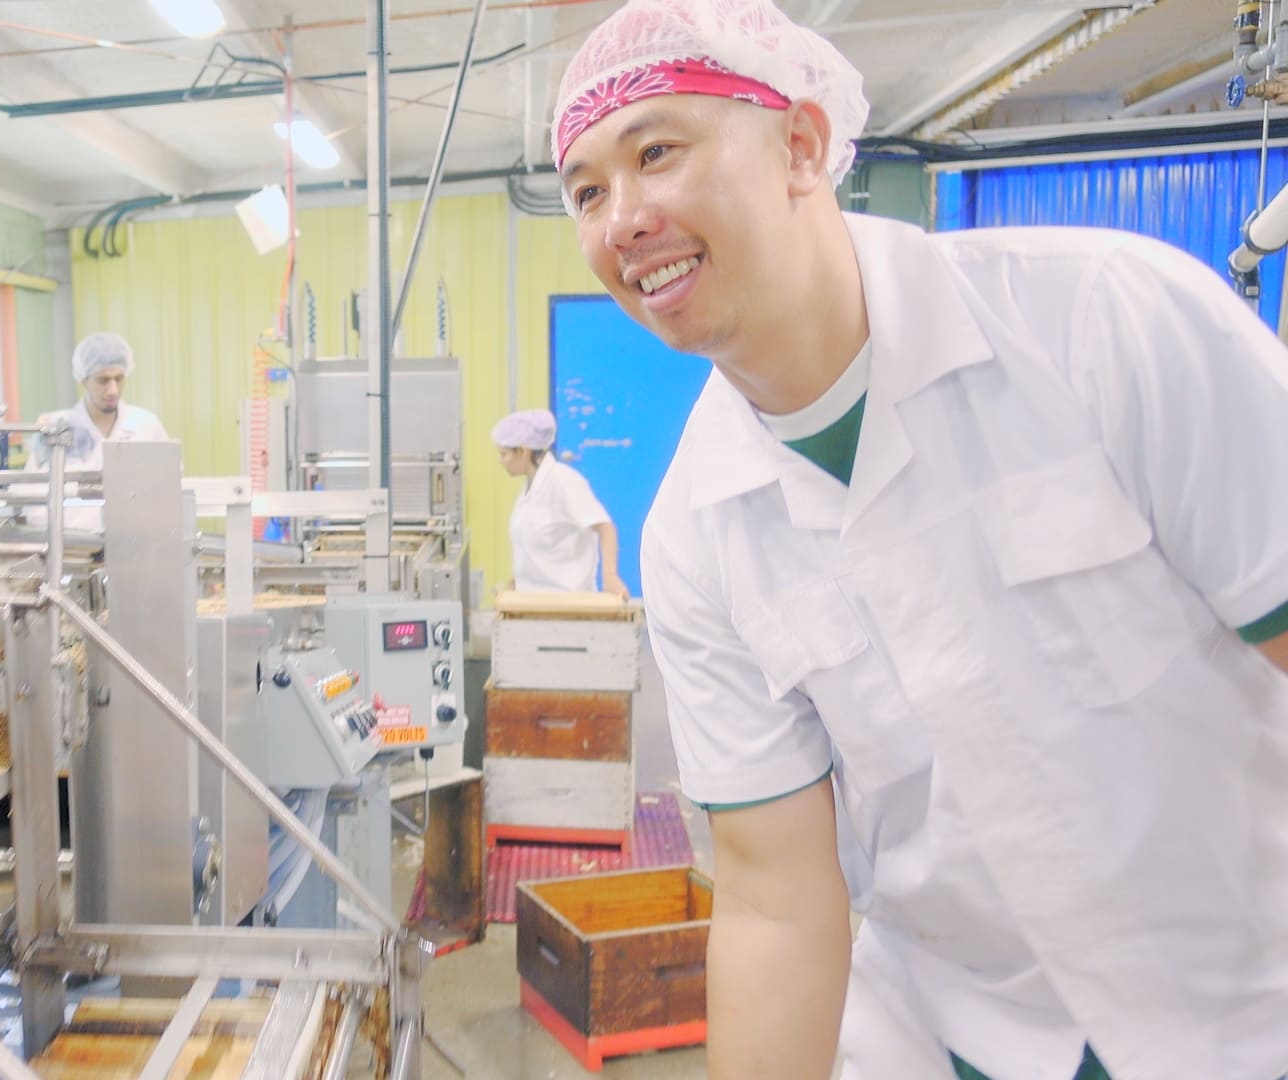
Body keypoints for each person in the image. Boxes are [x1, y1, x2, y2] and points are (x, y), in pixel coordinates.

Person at [552, 2, 1288, 1079]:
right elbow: (773, 902)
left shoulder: (1101, 322)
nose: (621, 218)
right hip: (957, 1042)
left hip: (1246, 1012)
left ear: (801, 146)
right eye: (585, 192)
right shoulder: (694, 537)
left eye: (655, 151)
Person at [492, 409, 628, 598]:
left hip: (568, 604)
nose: (500, 461)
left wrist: (610, 576)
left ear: (523, 451)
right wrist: (518, 581)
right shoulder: (529, 490)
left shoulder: (564, 482)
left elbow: (605, 527)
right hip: (531, 603)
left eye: (504, 454)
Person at [28, 331, 169, 470]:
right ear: (83, 380)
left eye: (119, 379)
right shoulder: (57, 428)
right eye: (103, 380)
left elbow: (170, 479)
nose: (113, 390)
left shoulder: (146, 424)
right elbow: (32, 485)